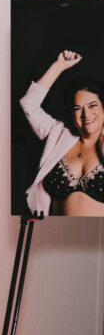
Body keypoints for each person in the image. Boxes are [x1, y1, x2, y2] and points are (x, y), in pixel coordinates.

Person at [20, 50, 104, 216]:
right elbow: (29, 104)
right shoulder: (57, 133)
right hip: (55, 233)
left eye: (93, 105)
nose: (86, 115)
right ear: (71, 114)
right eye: (78, 108)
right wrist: (58, 66)